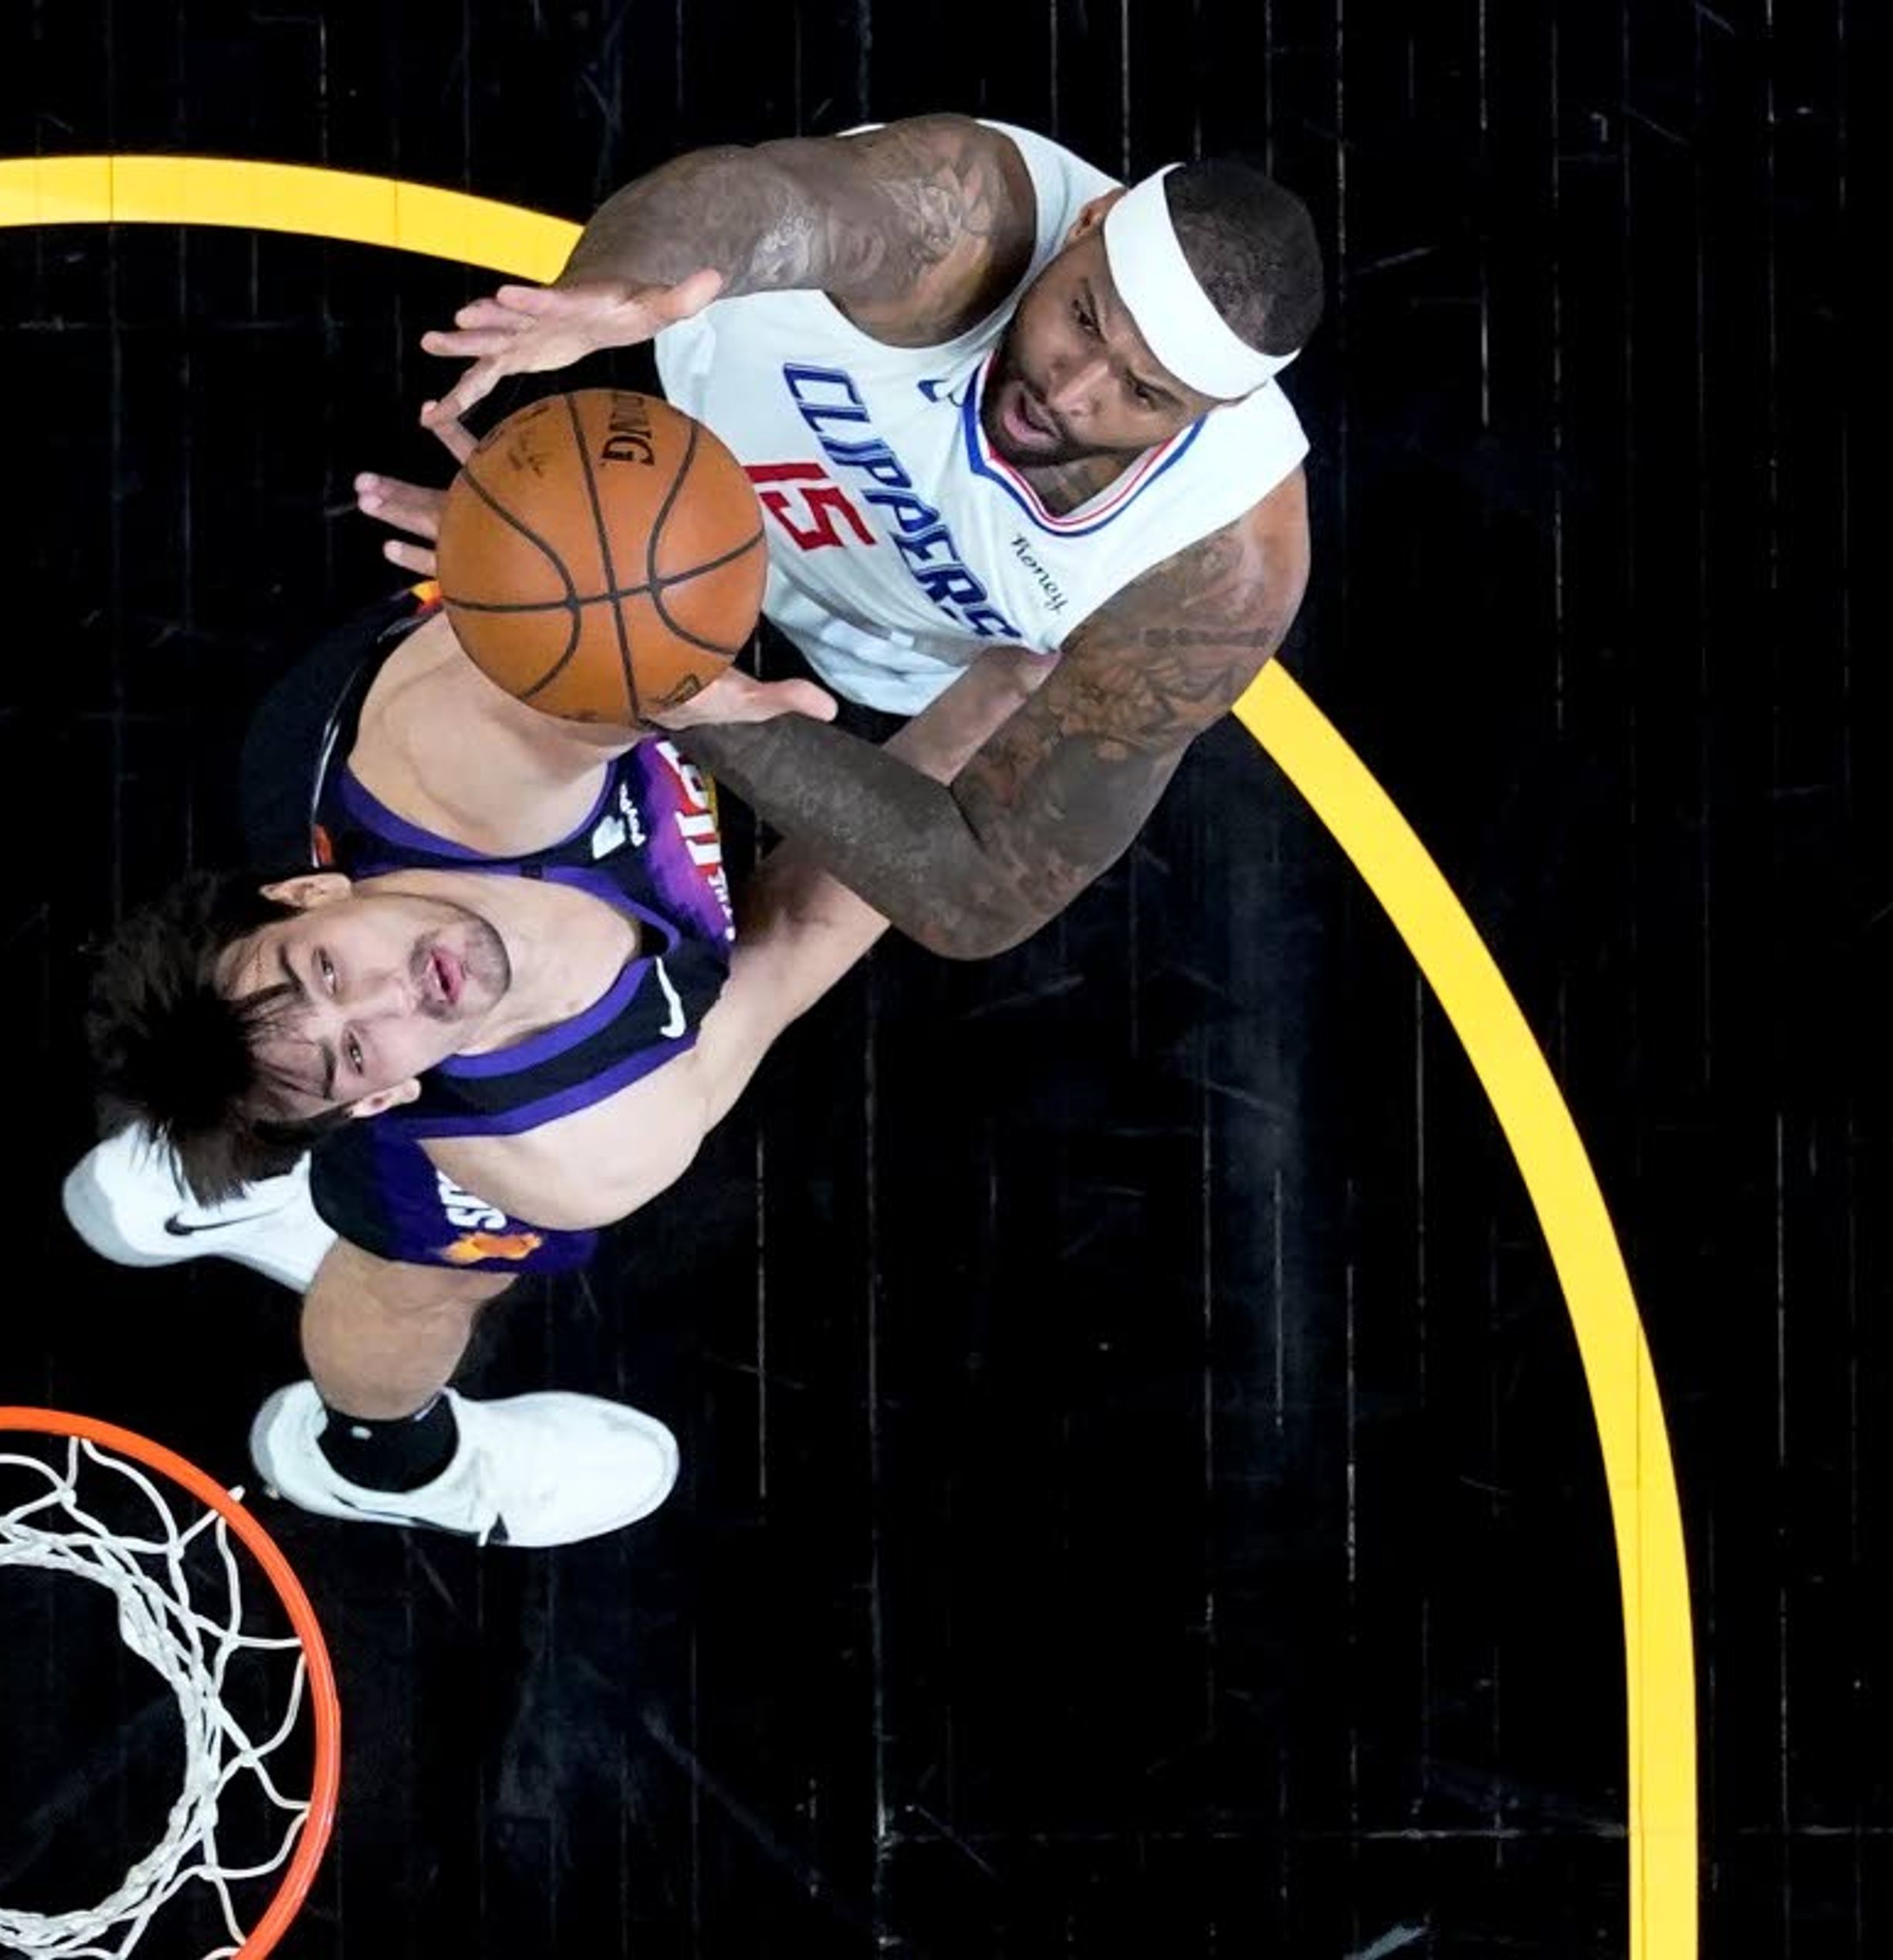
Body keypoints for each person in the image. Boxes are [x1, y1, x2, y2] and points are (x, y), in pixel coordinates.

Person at [67, 550, 1036, 1548]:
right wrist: (999, 690)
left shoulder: (461, 757)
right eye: (353, 1056)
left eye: (322, 970)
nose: (390, 995)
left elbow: (601, 652)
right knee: (438, 1278)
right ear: (379, 1099)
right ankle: (377, 1460)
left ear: (313, 894)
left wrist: (609, 621)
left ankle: (247, 1141)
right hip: (468, 1096)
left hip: (397, 726)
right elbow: (794, 937)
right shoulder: (574, 1146)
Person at [359, 114, 1324, 959]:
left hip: (859, 674)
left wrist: (669, 677)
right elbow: (753, 196)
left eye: (1144, 394)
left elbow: (980, 891)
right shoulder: (967, 217)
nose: (1071, 392)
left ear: (1222, 407)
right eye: (1083, 318)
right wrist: (628, 282)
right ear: (1091, 220)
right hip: (666, 433)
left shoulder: (1220, 566)